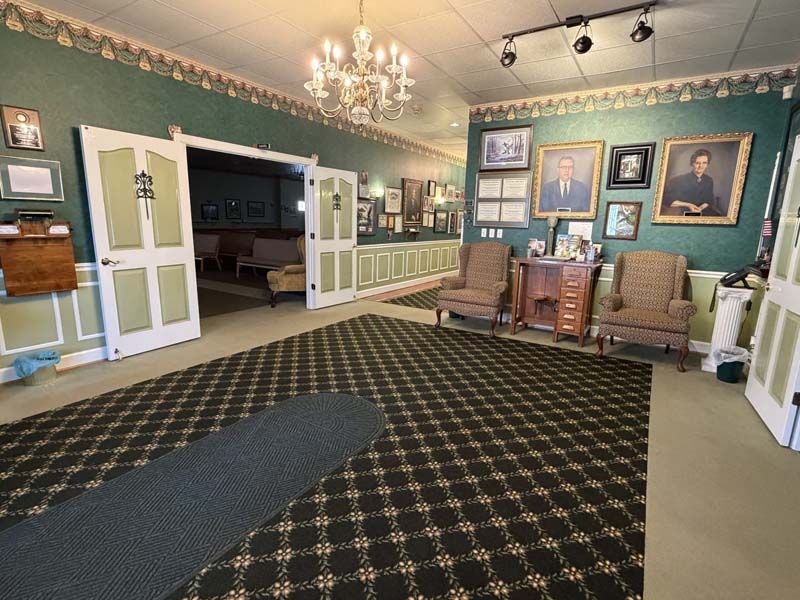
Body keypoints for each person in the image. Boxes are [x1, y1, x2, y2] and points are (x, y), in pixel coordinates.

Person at [662, 148, 715, 215]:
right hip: (682, 213)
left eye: (704, 163)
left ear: (707, 164)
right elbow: (667, 200)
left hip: (702, 212)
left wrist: (700, 209)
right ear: (692, 163)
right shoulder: (679, 180)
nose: (701, 166)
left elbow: (709, 200)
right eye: (697, 163)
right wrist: (688, 205)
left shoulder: (709, 180)